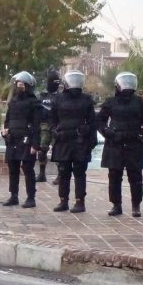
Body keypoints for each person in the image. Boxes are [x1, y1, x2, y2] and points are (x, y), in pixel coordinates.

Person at [98, 72, 143, 217]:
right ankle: (116, 205)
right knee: (114, 176)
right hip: (114, 143)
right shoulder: (110, 102)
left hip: (134, 142)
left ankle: (136, 206)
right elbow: (99, 121)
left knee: (136, 178)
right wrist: (107, 133)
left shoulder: (139, 102)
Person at [50, 70, 97, 214]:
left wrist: (88, 136)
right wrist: (54, 131)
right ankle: (63, 200)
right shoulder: (58, 99)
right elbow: (52, 117)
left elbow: (92, 122)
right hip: (63, 139)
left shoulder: (86, 99)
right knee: (63, 171)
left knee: (79, 172)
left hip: (79, 140)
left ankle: (79, 201)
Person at [2, 71, 41, 208]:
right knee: (13, 168)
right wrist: (5, 131)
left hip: (27, 139)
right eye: (18, 85)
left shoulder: (34, 103)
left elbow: (36, 125)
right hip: (12, 139)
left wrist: (35, 144)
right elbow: (7, 120)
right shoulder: (12, 102)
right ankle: (13, 195)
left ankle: (31, 197)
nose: (20, 88)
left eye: (22, 85)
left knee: (28, 169)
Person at [37, 69, 59, 183]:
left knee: (58, 150)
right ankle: (42, 174)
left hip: (56, 126)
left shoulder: (61, 97)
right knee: (42, 149)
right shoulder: (42, 96)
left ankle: (60, 175)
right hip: (44, 125)